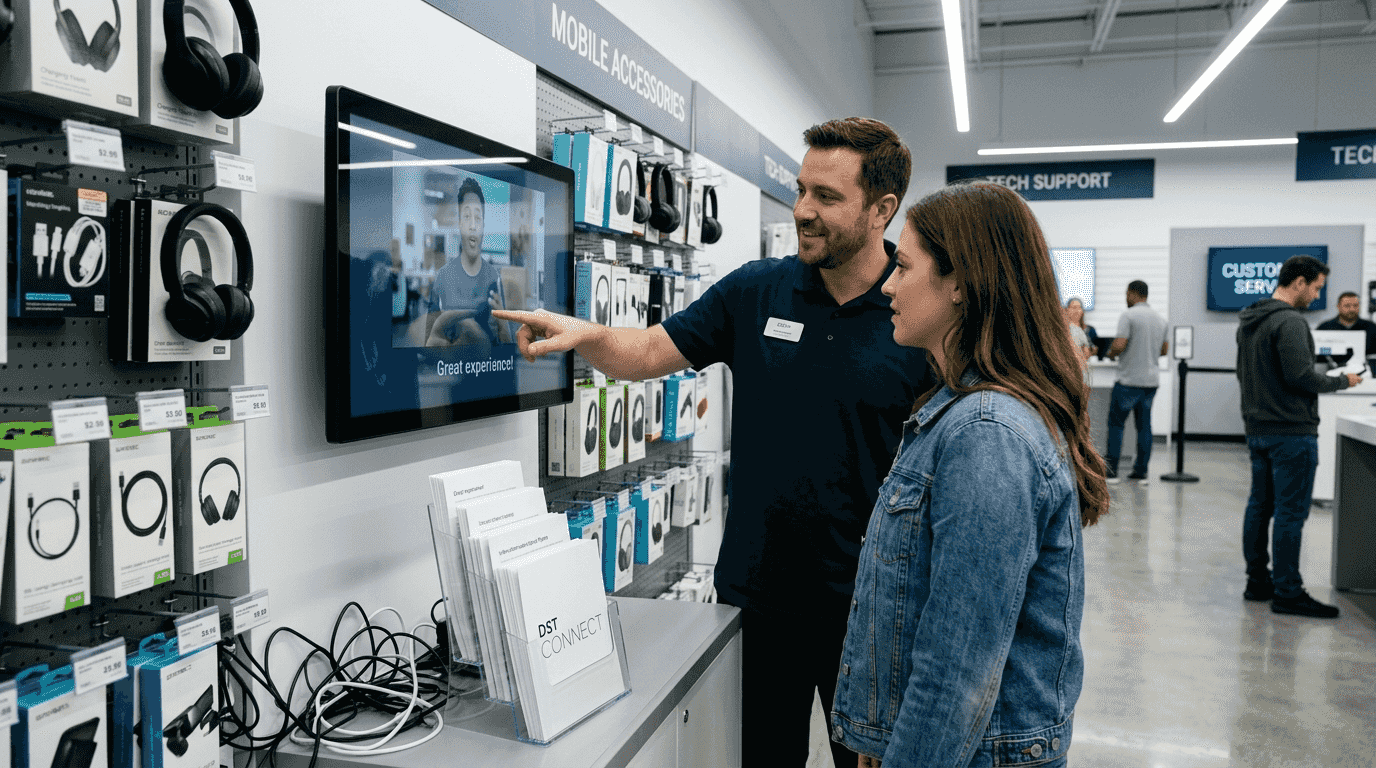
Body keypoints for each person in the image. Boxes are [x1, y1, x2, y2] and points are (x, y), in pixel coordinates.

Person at [495, 118, 929, 768]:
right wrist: (585, 333)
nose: (804, 211)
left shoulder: (916, 305)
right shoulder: (758, 290)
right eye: (802, 190)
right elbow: (647, 351)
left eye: (827, 198)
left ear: (882, 209)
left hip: (870, 611)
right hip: (759, 599)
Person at [830, 181, 1108, 767]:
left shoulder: (987, 431)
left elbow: (960, 665)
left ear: (960, 282)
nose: (887, 286)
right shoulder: (970, 412)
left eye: (903, 266)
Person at [1236, 255, 1360, 618]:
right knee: (1291, 513)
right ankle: (1288, 591)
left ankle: (1258, 581)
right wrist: (1344, 381)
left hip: (1259, 429)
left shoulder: (1250, 319)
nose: (1317, 296)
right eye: (1317, 287)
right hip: (1291, 432)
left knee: (1260, 507)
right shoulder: (1290, 321)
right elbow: (1301, 377)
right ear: (1300, 281)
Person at [419, 175, 509, 349]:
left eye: (478, 218)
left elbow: (505, 351)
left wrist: (503, 326)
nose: (473, 225)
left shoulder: (494, 280)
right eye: (467, 217)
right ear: (459, 223)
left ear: (483, 224)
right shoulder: (443, 278)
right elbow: (427, 345)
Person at [1104, 280, 1168, 482]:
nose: (1125, 298)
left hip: (1128, 381)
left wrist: (1111, 353)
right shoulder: (1160, 319)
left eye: (1126, 294)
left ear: (1133, 293)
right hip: (1150, 382)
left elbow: (1120, 344)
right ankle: (1141, 472)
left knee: (1116, 425)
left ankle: (1112, 471)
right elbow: (1164, 350)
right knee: (1144, 427)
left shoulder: (1128, 316)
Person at [1315, 290, 1376, 356]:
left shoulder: (1372, 328)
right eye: (1347, 306)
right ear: (1338, 306)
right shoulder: (1324, 328)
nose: (1352, 309)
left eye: (1355, 305)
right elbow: (1318, 352)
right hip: (1331, 365)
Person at [1065, 297, 1094, 383]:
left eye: (1079, 307)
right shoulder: (1066, 330)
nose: (1076, 311)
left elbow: (1086, 354)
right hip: (1073, 376)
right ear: (1067, 310)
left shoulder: (1080, 330)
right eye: (1073, 307)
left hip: (1081, 376)